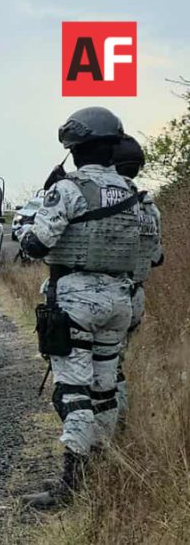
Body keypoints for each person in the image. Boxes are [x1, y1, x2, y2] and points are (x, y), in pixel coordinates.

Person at [19, 107, 142, 509]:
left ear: (74, 150)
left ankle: (72, 484)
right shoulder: (135, 193)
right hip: (119, 302)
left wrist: (34, 216)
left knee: (73, 394)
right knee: (105, 390)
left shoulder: (68, 189)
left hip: (76, 303)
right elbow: (150, 255)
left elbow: (36, 244)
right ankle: (105, 470)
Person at [111, 135, 163, 421]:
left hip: (109, 291)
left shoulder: (110, 202)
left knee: (100, 366)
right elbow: (158, 257)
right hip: (136, 295)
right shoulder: (148, 207)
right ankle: (120, 421)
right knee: (117, 363)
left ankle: (108, 425)